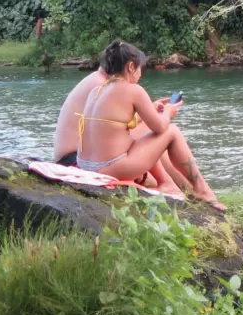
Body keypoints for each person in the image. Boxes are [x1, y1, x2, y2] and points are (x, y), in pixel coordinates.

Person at [57, 40, 225, 211]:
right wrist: (168, 112)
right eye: (139, 69)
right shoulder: (133, 90)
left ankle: (169, 184)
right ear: (131, 67)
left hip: (85, 165)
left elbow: (114, 123)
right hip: (107, 168)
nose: (140, 75)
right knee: (171, 132)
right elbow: (160, 127)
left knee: (141, 136)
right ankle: (202, 191)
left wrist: (150, 110)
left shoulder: (98, 90)